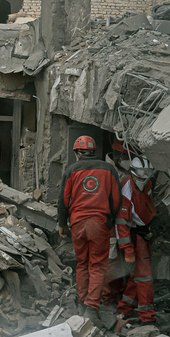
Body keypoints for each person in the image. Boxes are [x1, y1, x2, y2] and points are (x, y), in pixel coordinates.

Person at [57, 135, 126, 322]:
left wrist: (62, 223)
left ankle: (81, 302)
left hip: (78, 223)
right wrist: (108, 219)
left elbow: (64, 200)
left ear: (78, 152)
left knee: (82, 264)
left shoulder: (71, 170)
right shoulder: (109, 169)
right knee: (97, 265)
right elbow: (116, 199)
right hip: (99, 223)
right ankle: (92, 308)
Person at [117, 156, 158, 324]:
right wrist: (128, 250)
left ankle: (124, 310)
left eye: (147, 175)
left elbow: (147, 205)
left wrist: (151, 225)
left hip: (143, 231)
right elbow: (121, 223)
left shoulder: (147, 183)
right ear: (133, 174)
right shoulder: (125, 188)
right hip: (133, 235)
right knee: (145, 276)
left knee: (137, 276)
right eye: (140, 176)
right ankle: (147, 318)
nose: (144, 179)